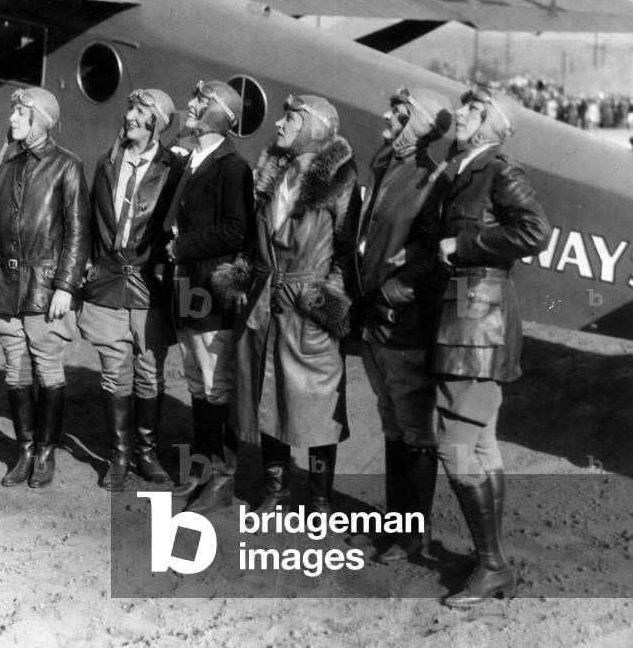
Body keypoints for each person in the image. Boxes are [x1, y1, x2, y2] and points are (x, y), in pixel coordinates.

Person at [432, 86, 550, 607]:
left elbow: (534, 231)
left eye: (469, 109)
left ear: (489, 122)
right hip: (467, 308)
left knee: (454, 445)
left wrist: (464, 245)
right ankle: (492, 560)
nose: (457, 114)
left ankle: (492, 564)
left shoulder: (500, 169)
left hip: (479, 314)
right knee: (479, 444)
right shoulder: (464, 169)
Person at [229, 94, 357, 517]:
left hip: (307, 306)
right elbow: (255, 237)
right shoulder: (275, 171)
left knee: (319, 405)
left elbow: (347, 252)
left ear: (313, 127)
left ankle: (320, 500)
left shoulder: (339, 179)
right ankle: (276, 488)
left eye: (291, 118)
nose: (280, 124)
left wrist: (325, 302)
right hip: (265, 302)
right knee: (268, 397)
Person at [0, 88, 90, 489]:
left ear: (39, 120)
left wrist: (65, 286)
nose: (13, 119)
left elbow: (77, 233)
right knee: (15, 369)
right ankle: (24, 450)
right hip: (4, 286)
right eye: (14, 113)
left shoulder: (67, 166)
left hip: (44, 288)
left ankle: (46, 452)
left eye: (20, 113)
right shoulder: (3, 163)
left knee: (48, 366)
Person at [353, 86, 452, 561]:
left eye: (399, 112)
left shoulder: (431, 180)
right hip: (375, 325)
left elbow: (436, 257)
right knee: (391, 425)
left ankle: (415, 535)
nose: (388, 116)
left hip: (403, 327)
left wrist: (397, 289)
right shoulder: (388, 166)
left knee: (415, 430)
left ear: (416, 125)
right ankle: (397, 526)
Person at [79, 88, 184, 491]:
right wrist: (89, 262)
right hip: (107, 281)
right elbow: (91, 217)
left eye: (140, 113)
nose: (129, 118)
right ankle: (119, 455)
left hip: (148, 285)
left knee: (148, 373)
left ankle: (146, 453)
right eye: (129, 110)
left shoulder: (174, 168)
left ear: (157, 121)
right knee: (112, 373)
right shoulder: (106, 162)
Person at [166, 79, 254, 513]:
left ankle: (223, 478)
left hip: (209, 289)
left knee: (216, 386)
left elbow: (236, 229)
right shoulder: (194, 160)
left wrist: (182, 246)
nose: (191, 104)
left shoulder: (233, 166)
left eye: (200, 100)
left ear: (220, 112)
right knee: (198, 385)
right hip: (187, 287)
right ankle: (202, 470)